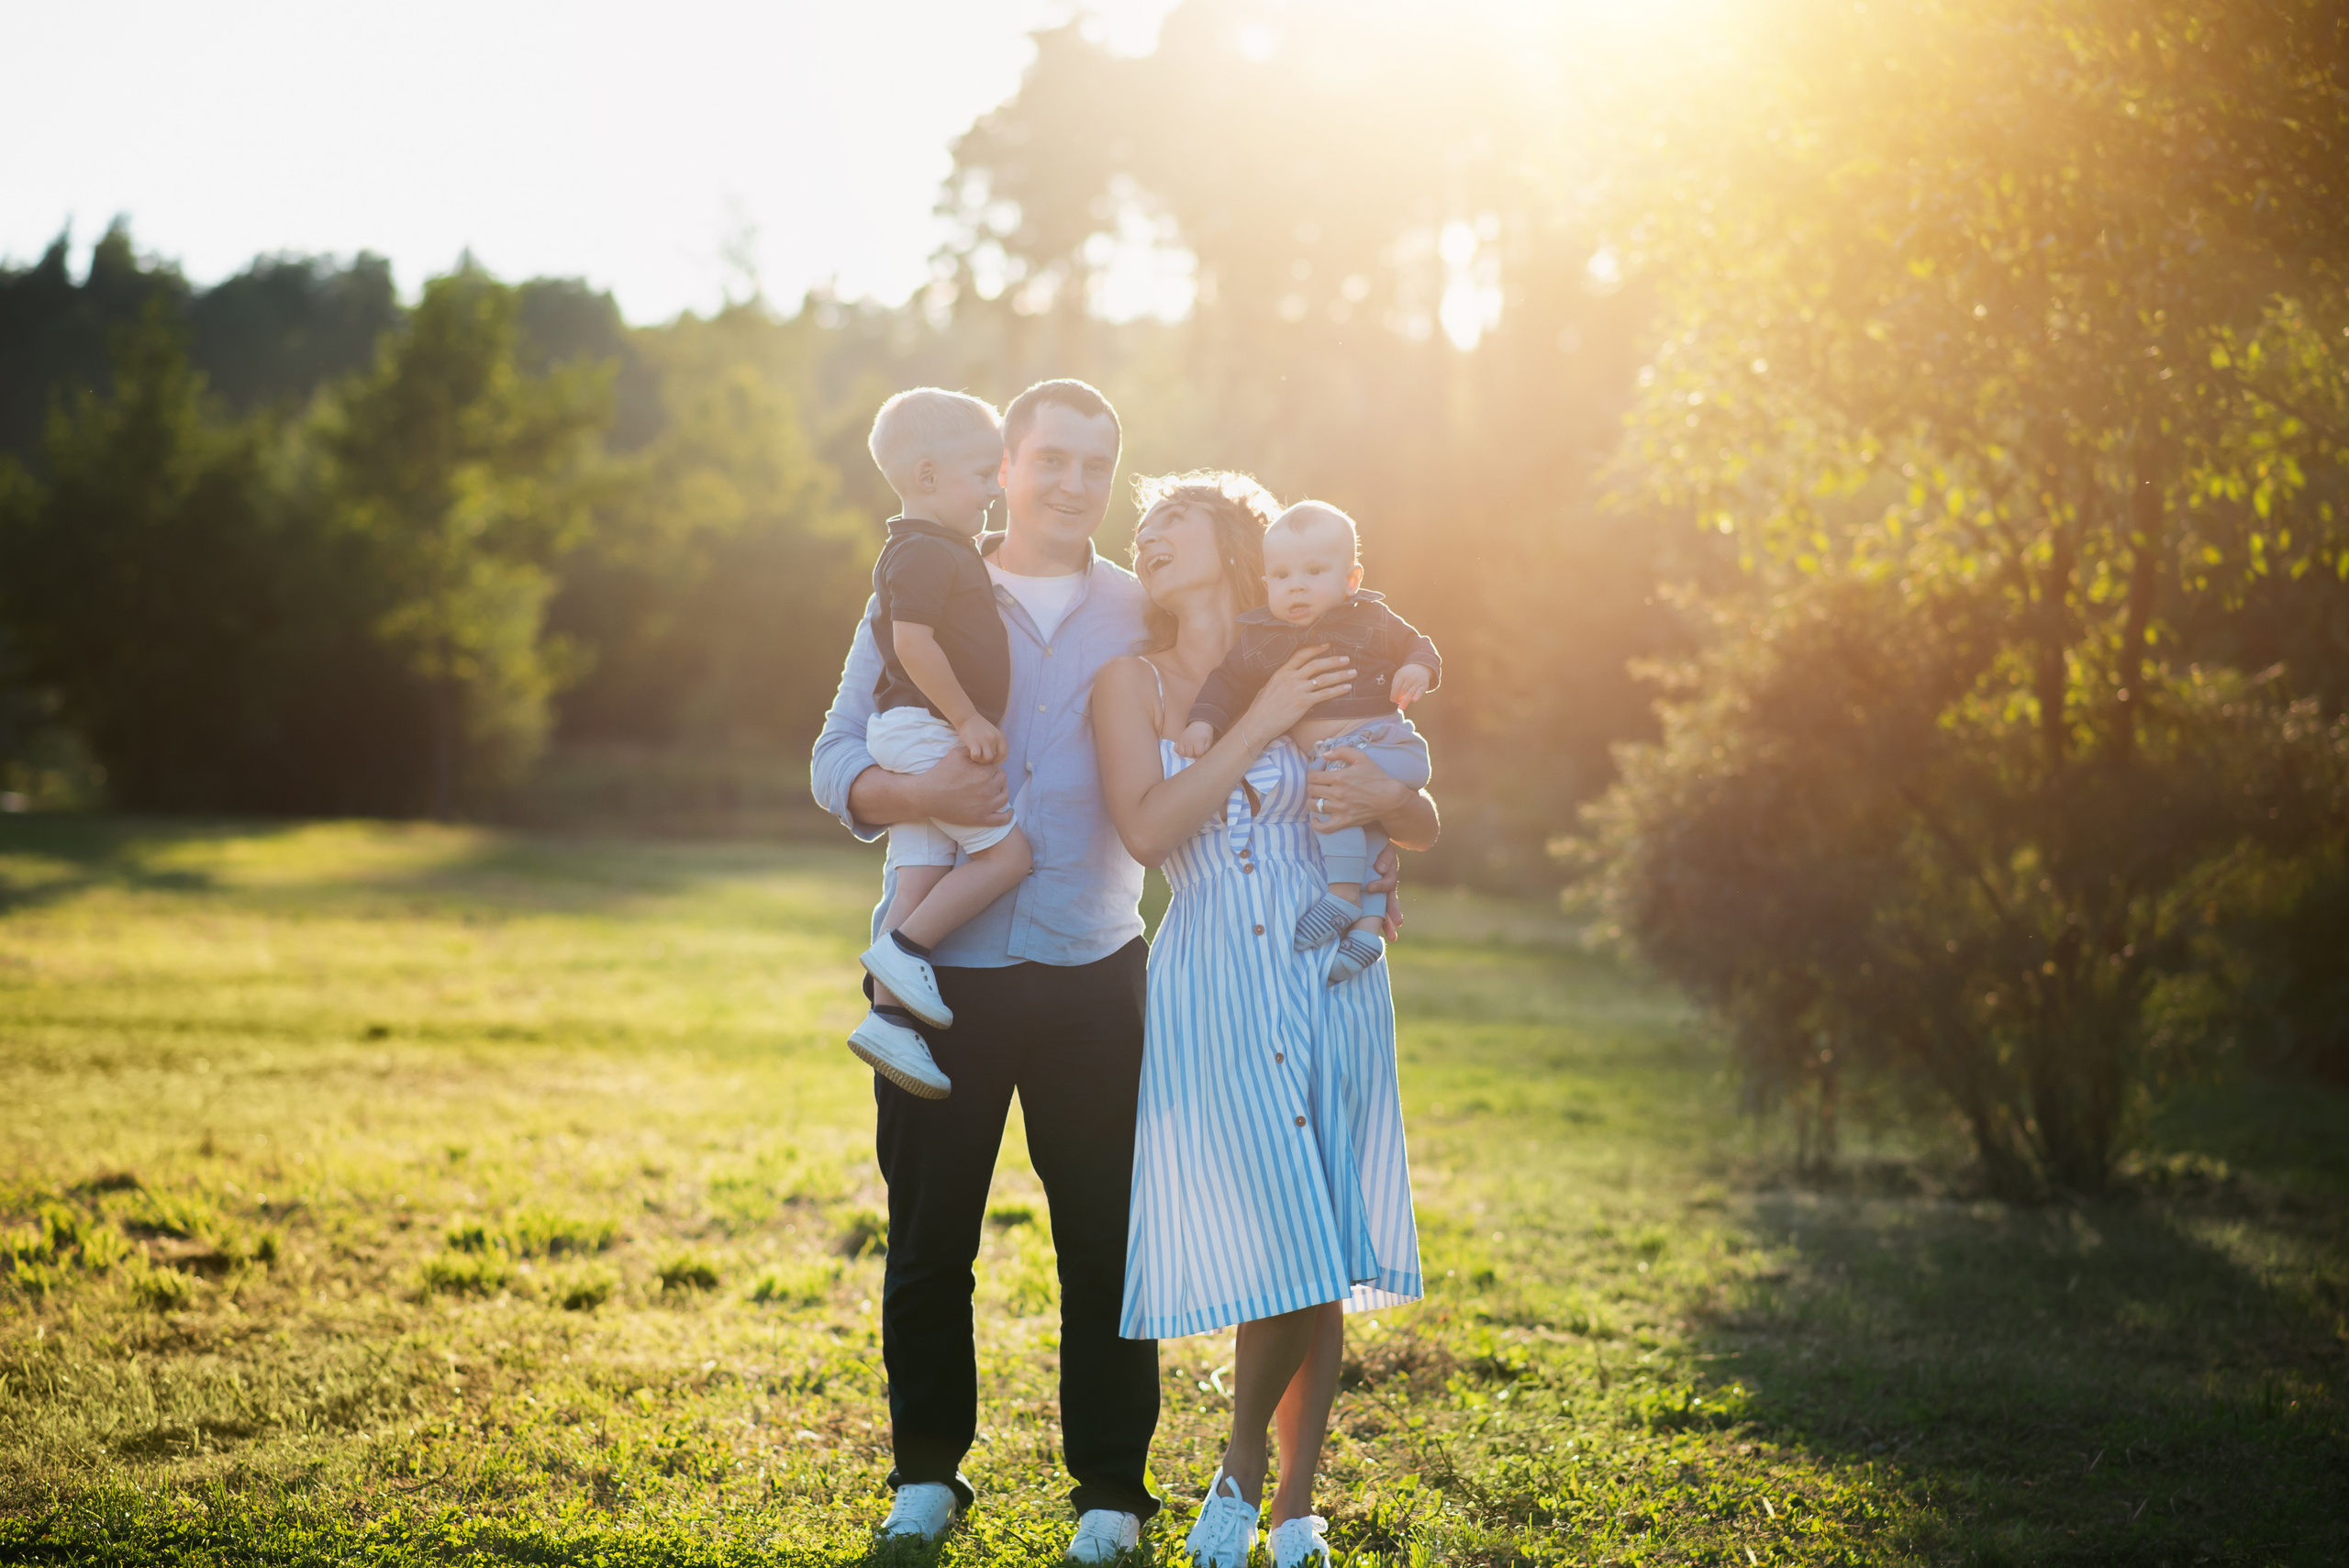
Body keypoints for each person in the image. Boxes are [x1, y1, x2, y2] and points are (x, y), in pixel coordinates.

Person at [1091, 473, 1435, 1568]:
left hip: (1325, 965)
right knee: (1280, 1218)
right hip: (1211, 973)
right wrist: (1266, 718)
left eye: (1169, 523)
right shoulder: (1130, 683)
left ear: (1234, 545)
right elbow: (1148, 829)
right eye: (1138, 529)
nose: (1144, 538)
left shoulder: (1324, 641)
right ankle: (1240, 1474)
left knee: (1318, 1228)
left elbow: (1417, 809)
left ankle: (1287, 1509)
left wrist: (1389, 804)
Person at [848, 388, 1034, 1101]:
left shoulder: (933, 547)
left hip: (913, 729)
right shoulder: (924, 552)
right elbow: (914, 643)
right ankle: (901, 950)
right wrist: (967, 720)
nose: (995, 488)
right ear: (926, 477)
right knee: (1007, 853)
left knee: (922, 870)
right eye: (983, 475)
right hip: (926, 726)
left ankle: (888, 1022)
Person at [1176, 500, 1439, 984]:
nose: (1296, 585)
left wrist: (1417, 668)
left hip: (1384, 743)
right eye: (1281, 576)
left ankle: (1341, 895)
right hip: (1342, 758)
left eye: (1314, 572)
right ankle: (1366, 934)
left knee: (1332, 792)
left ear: (1351, 579)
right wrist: (1202, 722)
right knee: (1370, 835)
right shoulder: (1260, 639)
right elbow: (1225, 682)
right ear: (1265, 585)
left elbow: (1418, 643)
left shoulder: (1371, 619)